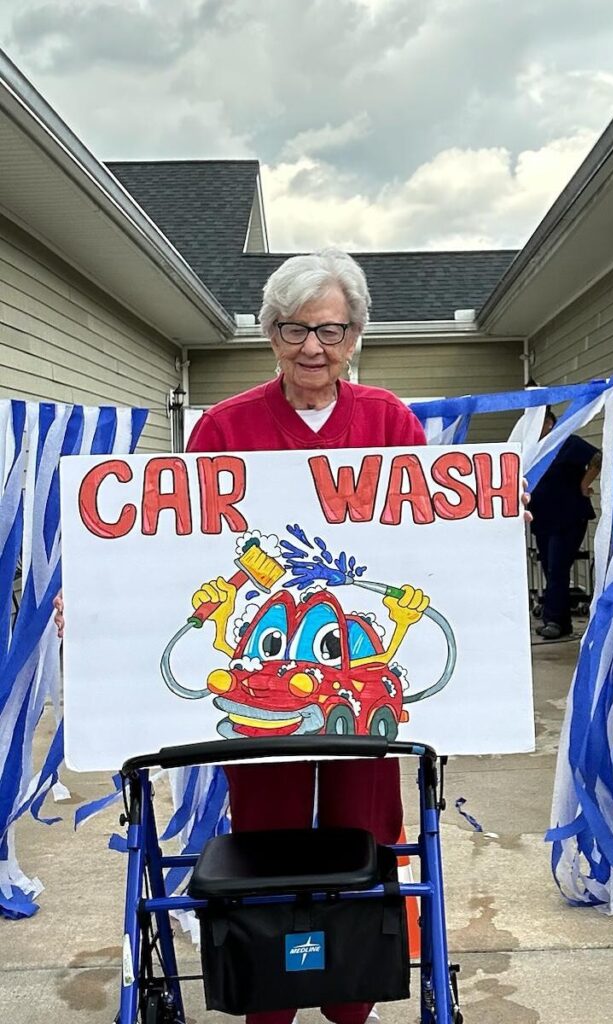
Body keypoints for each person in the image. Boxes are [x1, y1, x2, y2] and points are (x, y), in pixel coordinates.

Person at [186, 248, 427, 1024]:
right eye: (295, 329)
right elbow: (179, 548)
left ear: (356, 332)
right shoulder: (225, 427)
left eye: (331, 329)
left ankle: (354, 991)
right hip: (267, 657)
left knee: (365, 825)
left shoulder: (391, 420)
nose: (313, 347)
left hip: (355, 659)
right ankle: (272, 991)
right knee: (268, 827)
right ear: (270, 334)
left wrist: (497, 525)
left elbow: (437, 529)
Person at [528, 407, 601, 640]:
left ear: (549, 423)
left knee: (557, 568)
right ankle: (563, 622)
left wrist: (583, 485)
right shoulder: (535, 449)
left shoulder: (567, 442)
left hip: (568, 516)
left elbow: (597, 459)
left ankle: (552, 621)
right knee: (550, 567)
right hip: (544, 517)